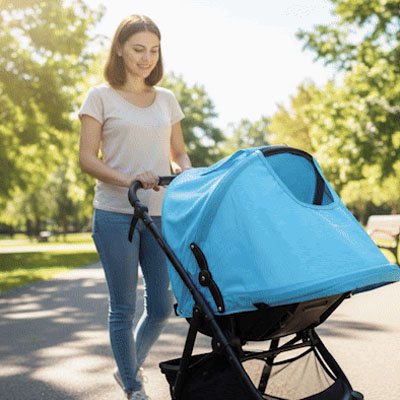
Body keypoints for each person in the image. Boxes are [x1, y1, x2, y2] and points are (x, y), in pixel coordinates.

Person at [78, 15, 192, 400]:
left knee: (161, 306)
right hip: (115, 214)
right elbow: (87, 159)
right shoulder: (99, 97)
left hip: (158, 213)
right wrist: (128, 179)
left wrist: (185, 171)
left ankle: (126, 366)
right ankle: (132, 386)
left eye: (154, 51)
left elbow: (178, 152)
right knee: (123, 308)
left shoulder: (167, 100)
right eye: (139, 49)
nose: (147, 58)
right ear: (120, 49)